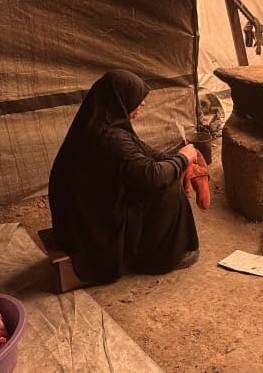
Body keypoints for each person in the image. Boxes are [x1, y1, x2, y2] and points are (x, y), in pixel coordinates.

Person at [49, 70, 201, 285]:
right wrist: (182, 161)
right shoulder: (111, 138)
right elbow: (152, 177)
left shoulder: (99, 122)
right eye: (138, 97)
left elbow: (142, 151)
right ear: (121, 98)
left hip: (82, 215)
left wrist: (175, 159)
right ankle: (157, 258)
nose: (143, 103)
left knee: (166, 173)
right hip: (93, 228)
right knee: (166, 189)